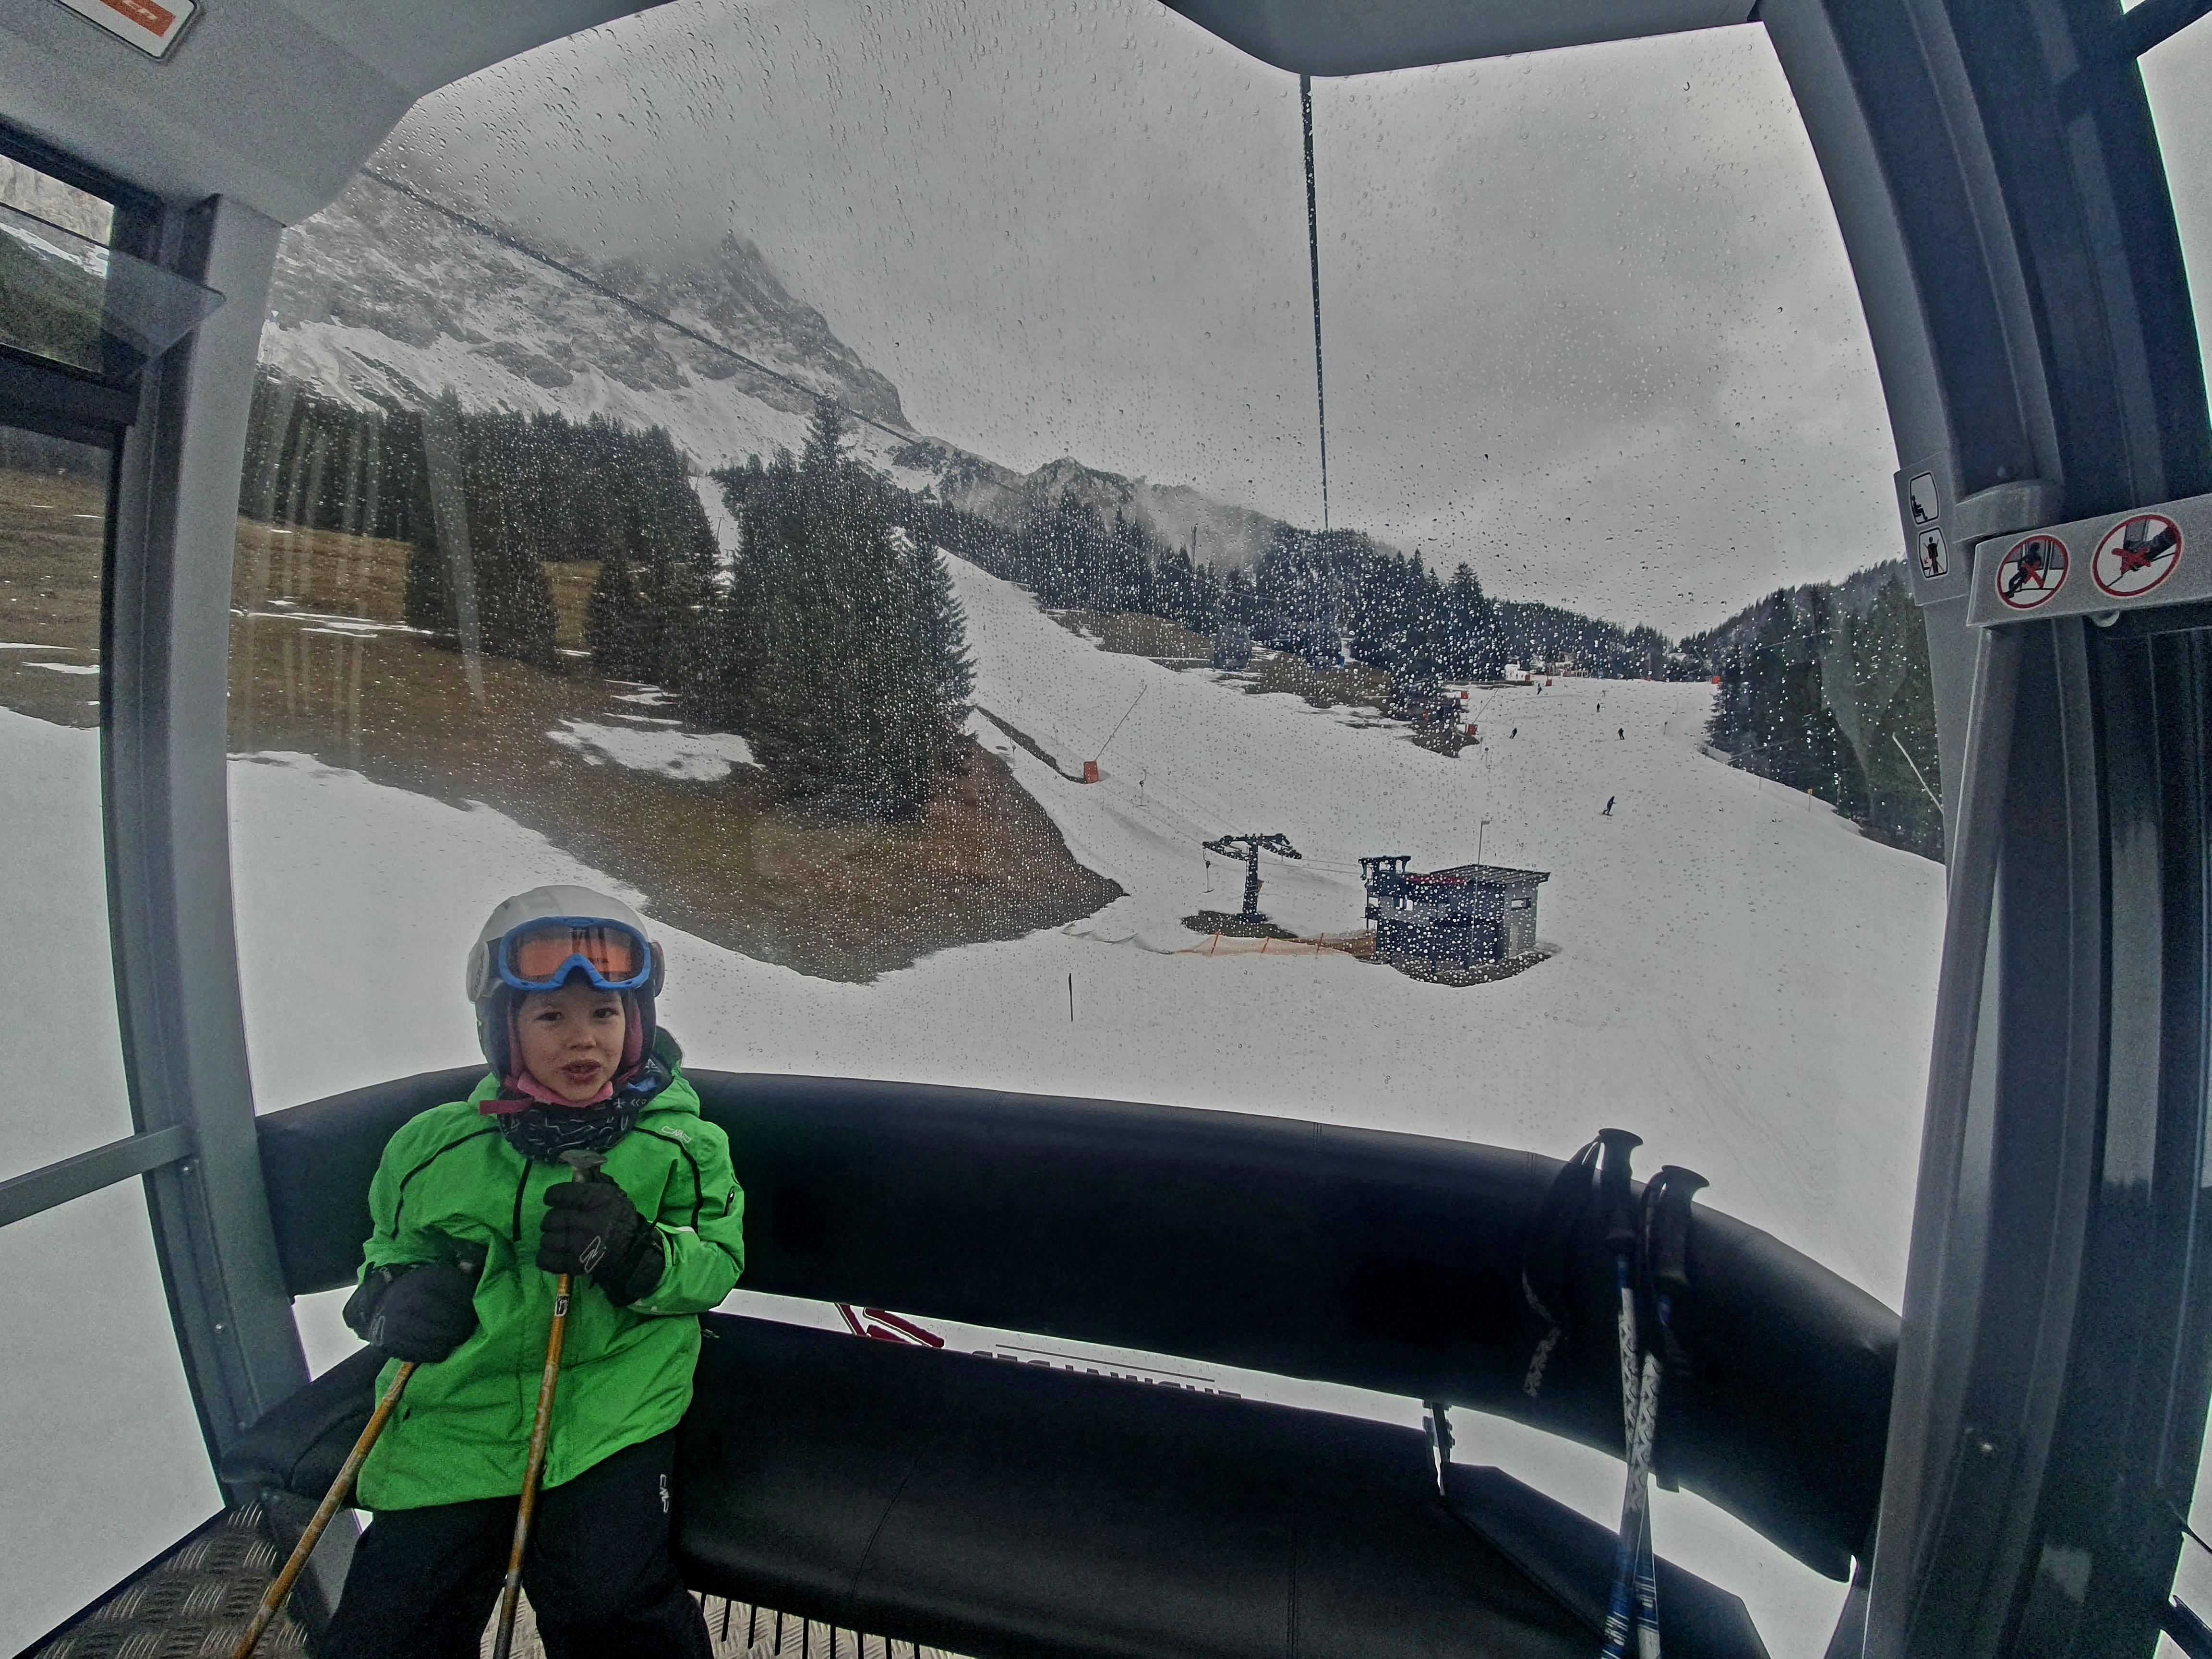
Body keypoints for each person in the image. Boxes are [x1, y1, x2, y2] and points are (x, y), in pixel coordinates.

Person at [323, 886, 744, 1659]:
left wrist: (642, 1256)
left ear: (637, 1022)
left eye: (605, 1015)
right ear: (503, 1028)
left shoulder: (681, 1143)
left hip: (614, 1405)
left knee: (609, 1606)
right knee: (391, 1624)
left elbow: (715, 1261)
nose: (583, 1039)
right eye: (551, 1017)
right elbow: (390, 1248)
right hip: (460, 1411)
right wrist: (391, 1300)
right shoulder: (434, 1147)